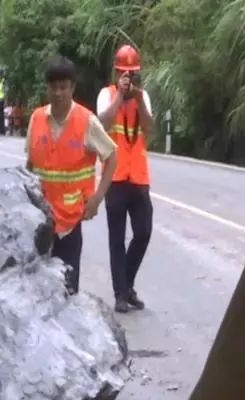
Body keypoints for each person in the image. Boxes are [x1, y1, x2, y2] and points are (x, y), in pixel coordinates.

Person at [25, 56, 118, 294]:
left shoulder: (87, 121)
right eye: (53, 87)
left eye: (63, 87)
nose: (58, 93)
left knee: (67, 294)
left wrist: (97, 198)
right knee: (36, 292)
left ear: (72, 88)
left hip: (69, 222)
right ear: (47, 88)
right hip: (37, 222)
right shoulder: (36, 119)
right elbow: (29, 165)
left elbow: (111, 156)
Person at [96, 45, 154, 313]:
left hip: (139, 178)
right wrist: (120, 96)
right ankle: (121, 294)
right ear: (116, 72)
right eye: (124, 73)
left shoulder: (144, 97)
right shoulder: (106, 95)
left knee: (143, 233)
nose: (129, 78)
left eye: (133, 74)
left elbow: (150, 130)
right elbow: (103, 125)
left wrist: (139, 100)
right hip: (115, 177)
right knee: (116, 239)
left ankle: (126, 283)